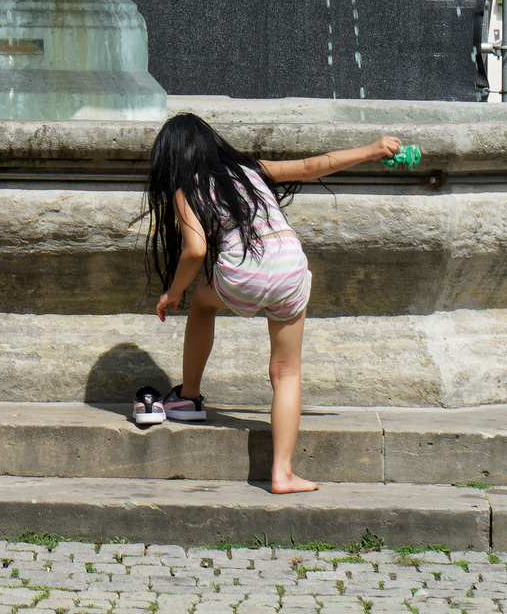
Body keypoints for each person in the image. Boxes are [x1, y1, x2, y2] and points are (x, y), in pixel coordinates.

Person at [145, 112, 401, 494]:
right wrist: (371, 150)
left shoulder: (187, 188)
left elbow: (196, 249)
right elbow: (314, 165)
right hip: (289, 268)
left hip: (242, 272)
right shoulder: (250, 169)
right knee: (286, 373)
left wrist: (174, 291)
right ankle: (282, 473)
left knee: (202, 303)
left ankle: (188, 397)